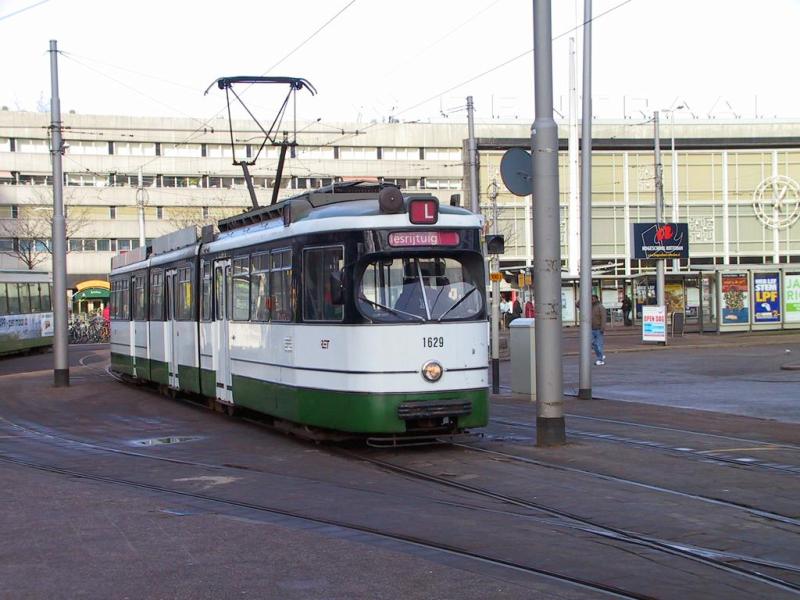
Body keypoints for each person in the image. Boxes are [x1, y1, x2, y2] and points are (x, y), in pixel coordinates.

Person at [591, 294, 606, 365]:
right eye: (591, 299)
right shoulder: (589, 306)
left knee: (598, 344)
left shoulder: (600, 307)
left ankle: (600, 359)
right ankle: (601, 355)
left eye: (593, 299)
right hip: (591, 328)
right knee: (593, 344)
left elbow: (603, 318)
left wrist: (602, 328)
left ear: (596, 299)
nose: (592, 300)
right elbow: (578, 305)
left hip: (598, 329)